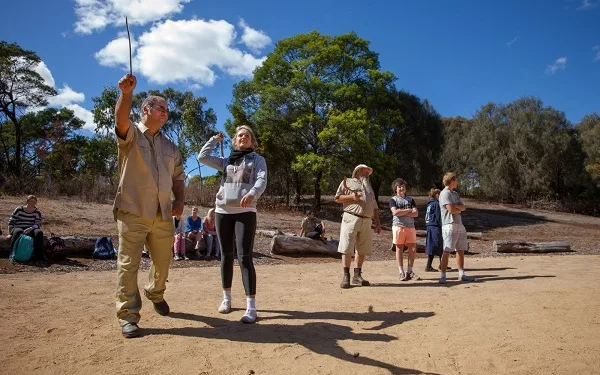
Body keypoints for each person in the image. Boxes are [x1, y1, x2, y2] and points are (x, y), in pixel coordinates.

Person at [113, 73, 185, 338]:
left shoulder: (171, 146)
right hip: (132, 210)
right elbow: (120, 119)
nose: (166, 113)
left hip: (162, 213)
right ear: (146, 109)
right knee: (128, 265)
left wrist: (180, 200)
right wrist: (126, 94)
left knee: (164, 261)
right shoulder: (130, 134)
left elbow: (178, 176)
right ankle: (128, 316)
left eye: (167, 110)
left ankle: (155, 293)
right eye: (161, 108)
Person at [198, 126, 267, 324]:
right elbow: (202, 157)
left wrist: (253, 193)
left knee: (245, 257)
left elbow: (262, 180)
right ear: (235, 141)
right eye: (239, 136)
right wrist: (214, 140)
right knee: (226, 256)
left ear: (251, 141)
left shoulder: (257, 160)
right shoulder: (226, 161)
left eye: (247, 135)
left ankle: (251, 307)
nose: (243, 138)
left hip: (246, 212)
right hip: (222, 211)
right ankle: (226, 299)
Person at [335, 164, 381, 289]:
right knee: (347, 247)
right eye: (364, 171)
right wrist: (351, 197)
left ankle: (357, 275)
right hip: (351, 217)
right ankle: (346, 276)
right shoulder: (348, 182)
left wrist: (377, 223)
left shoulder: (369, 187)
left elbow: (375, 207)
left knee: (362, 249)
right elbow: (338, 198)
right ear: (358, 171)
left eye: (368, 172)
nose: (367, 174)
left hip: (367, 221)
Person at [439, 172, 475, 284]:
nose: (457, 182)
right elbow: (451, 210)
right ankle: (443, 275)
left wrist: (457, 208)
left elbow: (463, 207)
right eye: (456, 180)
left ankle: (461, 274)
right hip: (449, 224)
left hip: (459, 223)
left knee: (461, 250)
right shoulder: (444, 193)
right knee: (447, 250)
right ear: (451, 181)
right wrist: (457, 208)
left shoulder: (455, 194)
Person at [389, 178, 419, 281]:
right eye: (399, 187)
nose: (401, 188)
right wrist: (408, 210)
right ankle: (401, 272)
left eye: (403, 186)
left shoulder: (411, 199)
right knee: (399, 249)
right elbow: (395, 213)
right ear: (395, 189)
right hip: (398, 227)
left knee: (413, 249)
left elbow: (416, 213)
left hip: (410, 227)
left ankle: (409, 272)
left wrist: (402, 211)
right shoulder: (393, 200)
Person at [6, 195, 44, 261]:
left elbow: (37, 224)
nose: (32, 203)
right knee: (18, 232)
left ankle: (36, 255)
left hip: (31, 228)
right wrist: (10, 233)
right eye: (31, 201)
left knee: (39, 233)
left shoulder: (37, 212)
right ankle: (12, 254)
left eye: (34, 202)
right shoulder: (19, 209)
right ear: (27, 201)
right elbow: (11, 222)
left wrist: (31, 228)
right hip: (18, 227)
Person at [425, 188, 444, 272]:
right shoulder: (436, 204)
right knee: (437, 245)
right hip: (435, 226)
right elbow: (439, 216)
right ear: (437, 195)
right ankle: (428, 266)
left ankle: (443, 264)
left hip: (430, 226)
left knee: (438, 245)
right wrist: (442, 226)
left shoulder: (430, 204)